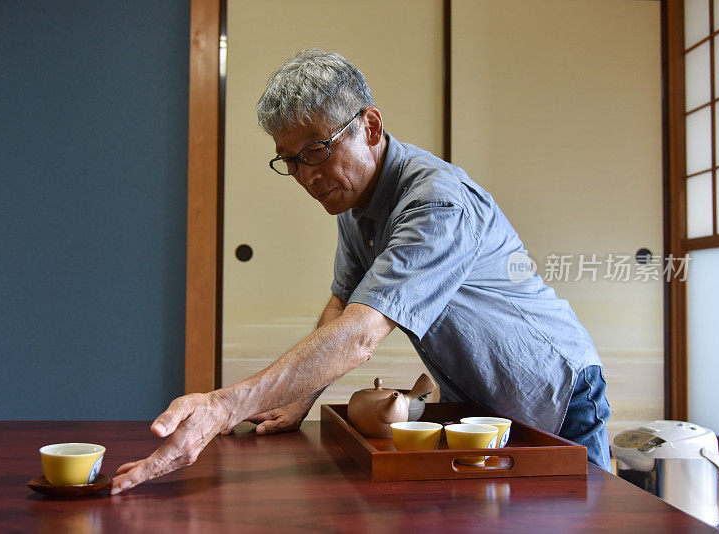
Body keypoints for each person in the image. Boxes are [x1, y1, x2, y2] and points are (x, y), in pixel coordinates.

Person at [110, 48, 611, 495]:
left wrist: (223, 406)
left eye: (315, 151)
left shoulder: (435, 201)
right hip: (480, 401)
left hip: (555, 391)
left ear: (370, 126)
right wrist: (300, 395)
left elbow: (360, 334)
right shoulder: (354, 202)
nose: (306, 177)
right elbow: (341, 305)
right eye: (290, 160)